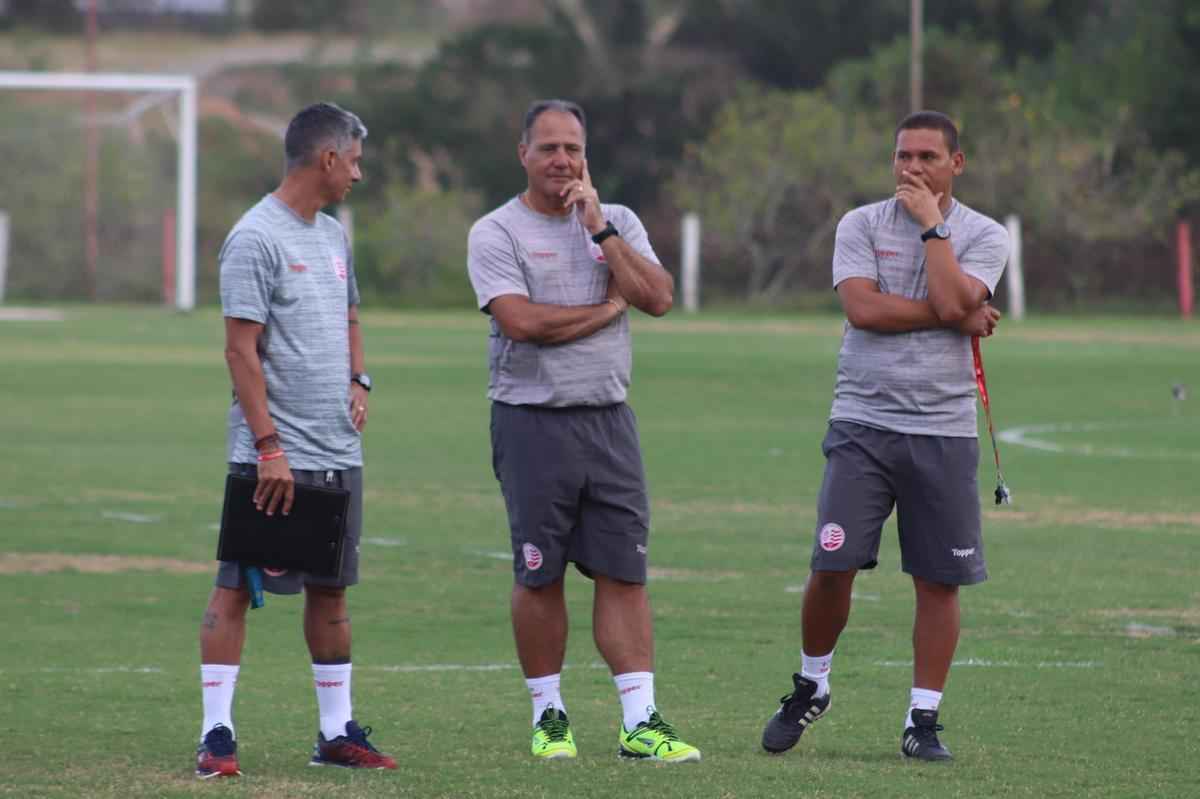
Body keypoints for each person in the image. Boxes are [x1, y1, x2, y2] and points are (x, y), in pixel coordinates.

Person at [760, 110, 1009, 761]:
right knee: (832, 563)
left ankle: (921, 719)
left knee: (938, 580)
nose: (912, 168)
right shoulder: (860, 224)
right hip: (862, 425)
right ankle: (811, 683)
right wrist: (955, 314)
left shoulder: (985, 234)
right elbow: (863, 308)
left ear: (956, 163)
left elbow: (960, 295)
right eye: (903, 156)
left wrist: (932, 228)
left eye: (927, 157)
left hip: (943, 431)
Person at [466, 99, 700, 763]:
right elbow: (522, 323)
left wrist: (601, 232)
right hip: (531, 422)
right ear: (523, 154)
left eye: (572, 148)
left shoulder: (616, 221)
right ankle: (550, 717)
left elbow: (656, 297)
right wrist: (603, 310)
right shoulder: (496, 231)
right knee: (540, 575)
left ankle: (640, 721)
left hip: (609, 420)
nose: (562, 160)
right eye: (548, 148)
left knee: (624, 572)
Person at [194, 102, 395, 778]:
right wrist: (268, 446)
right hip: (273, 456)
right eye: (356, 161)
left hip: (338, 451)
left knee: (331, 593)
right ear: (328, 159)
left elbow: (352, 315)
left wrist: (360, 378)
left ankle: (336, 732)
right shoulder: (254, 237)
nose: (359, 175)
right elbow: (239, 352)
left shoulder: (334, 236)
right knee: (233, 590)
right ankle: (215, 735)